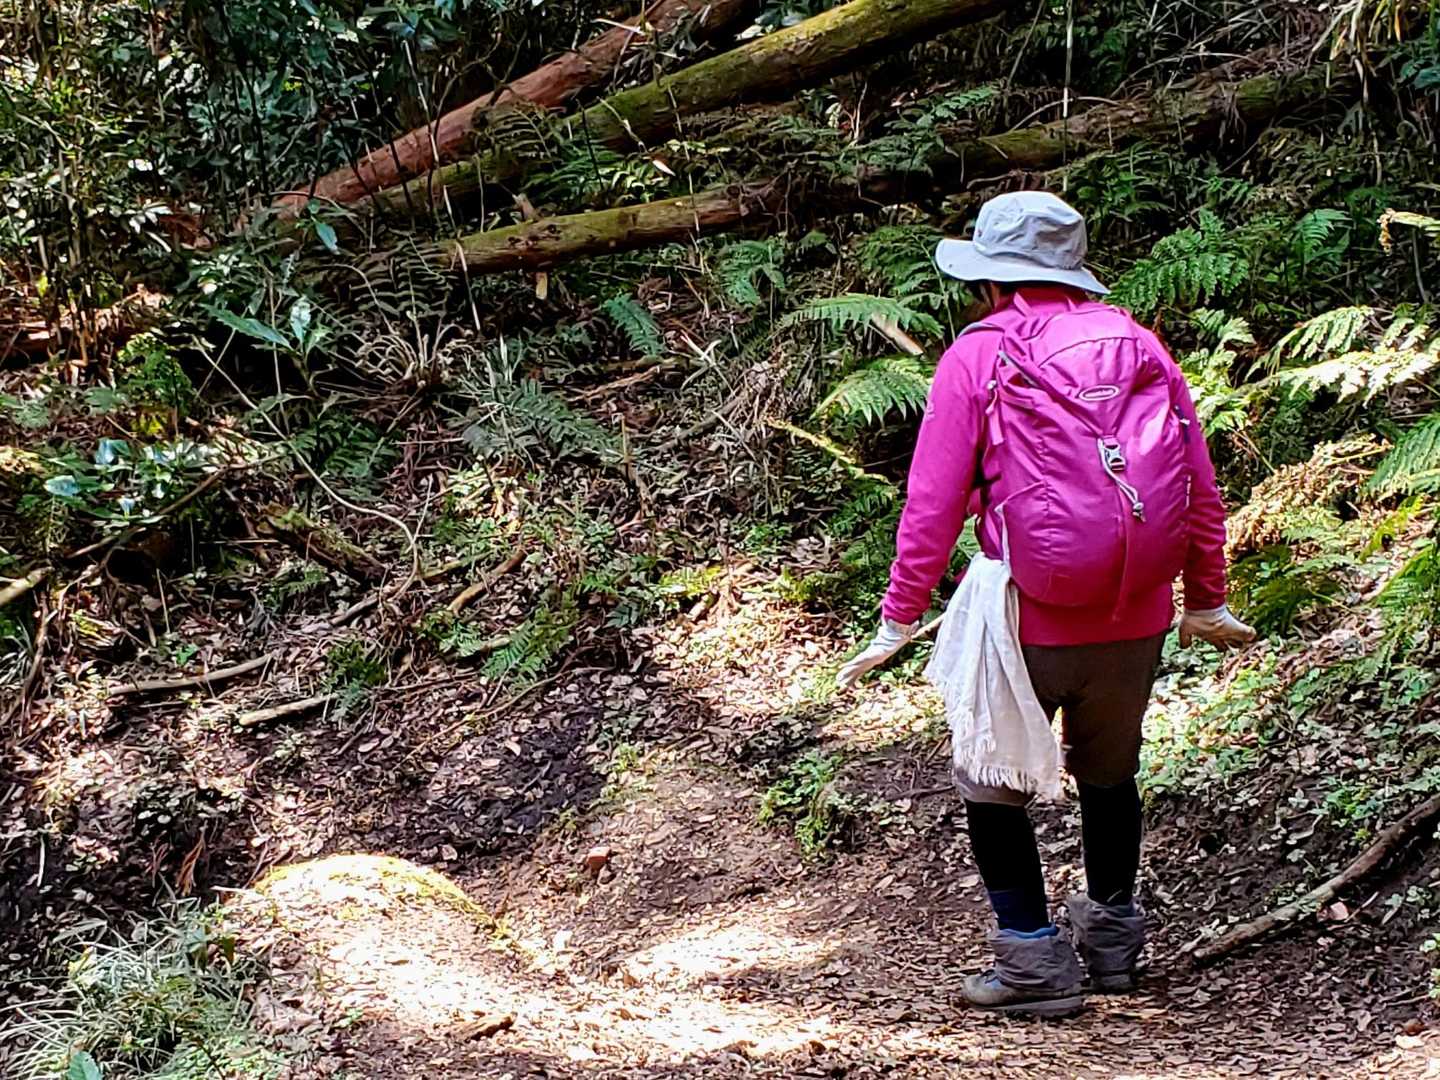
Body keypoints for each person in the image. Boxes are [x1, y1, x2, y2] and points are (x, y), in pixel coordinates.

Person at [837, 191, 1255, 1017]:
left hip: (1024, 611)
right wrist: (1205, 597)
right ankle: (1113, 946)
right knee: (1110, 773)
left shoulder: (977, 355)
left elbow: (933, 503)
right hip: (1137, 610)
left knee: (989, 780)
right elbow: (1197, 486)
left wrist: (899, 614)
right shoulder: (1138, 344)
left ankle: (1031, 962)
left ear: (991, 279)